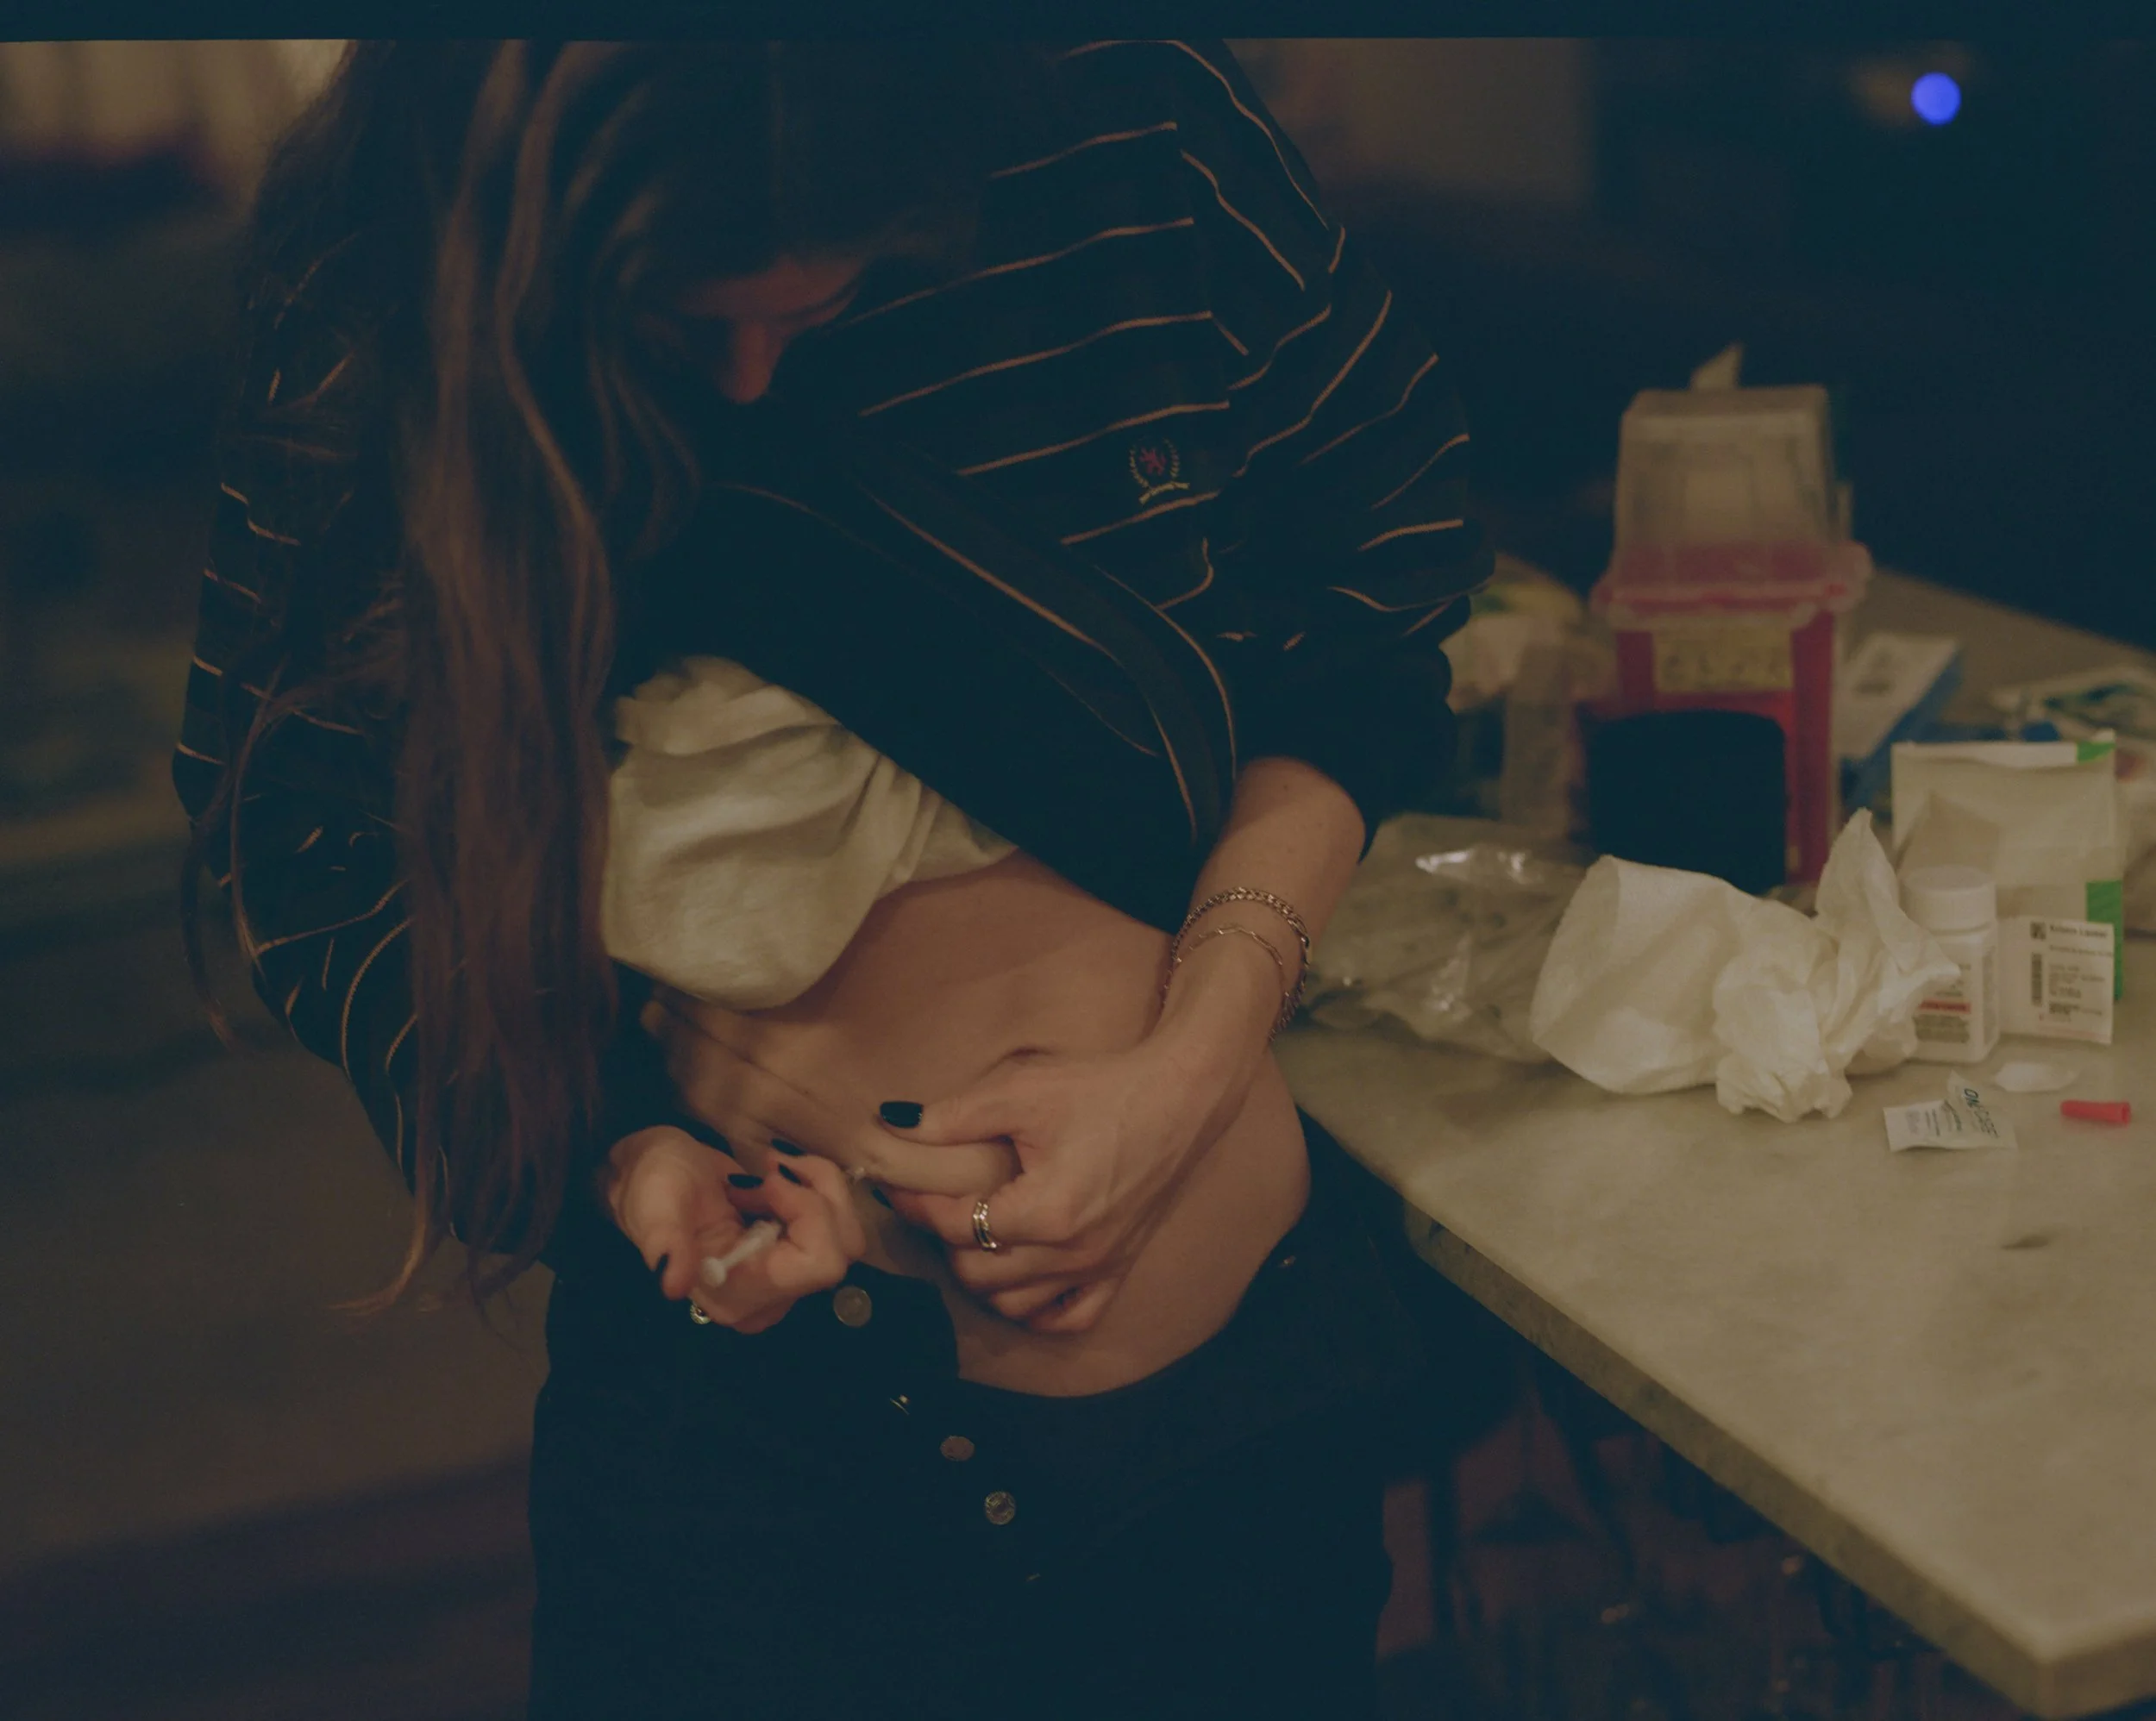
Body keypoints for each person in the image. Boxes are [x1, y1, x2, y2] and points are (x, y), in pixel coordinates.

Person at [176, 39, 1491, 1719]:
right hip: (748, 1471)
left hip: (1240, 1442)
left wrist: (1187, 1068)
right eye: (677, 316)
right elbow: (300, 826)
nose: (743, 382)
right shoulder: (392, 246)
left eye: (829, 295)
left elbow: (1369, 614)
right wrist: (620, 1152)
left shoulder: (1133, 114)